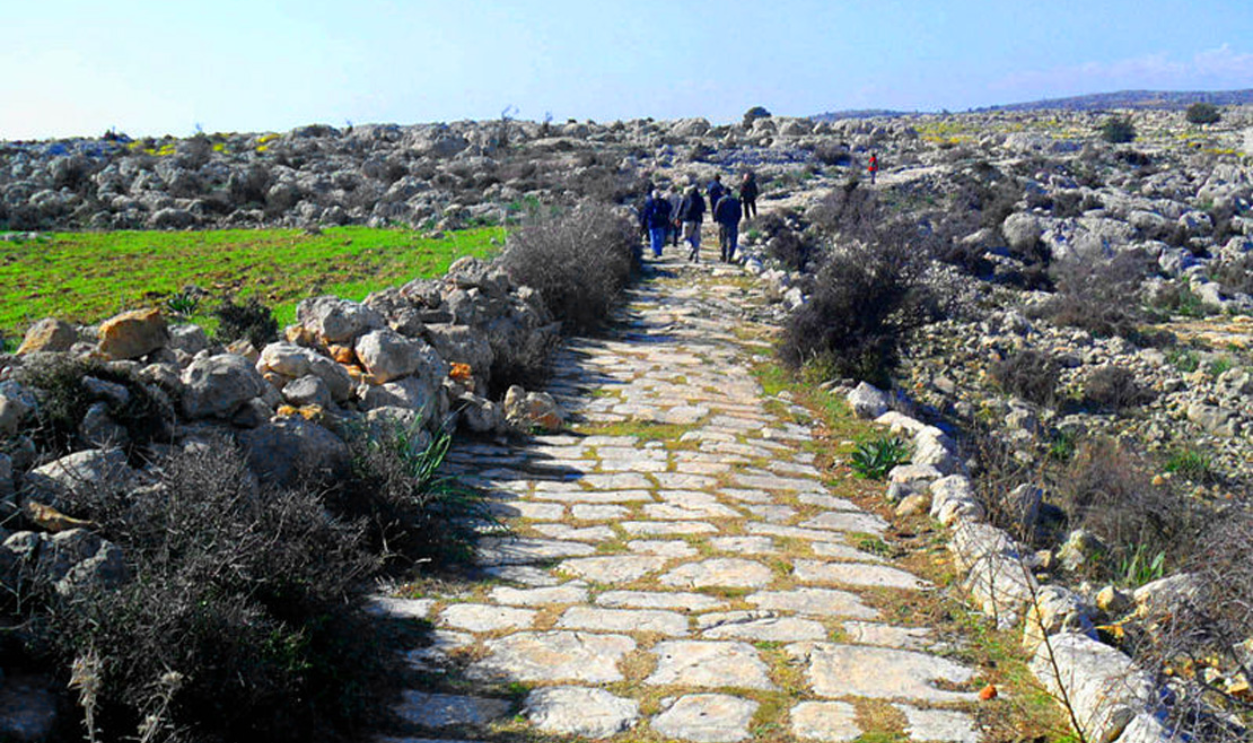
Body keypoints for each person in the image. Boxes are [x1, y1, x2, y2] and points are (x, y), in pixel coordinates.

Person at [677, 185, 706, 262]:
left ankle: (690, 249)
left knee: (685, 238)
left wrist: (678, 218)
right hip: (698, 221)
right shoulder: (700, 198)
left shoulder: (686, 198)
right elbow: (704, 209)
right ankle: (696, 256)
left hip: (687, 220)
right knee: (696, 239)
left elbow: (680, 209)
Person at [714, 188, 742, 263]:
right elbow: (739, 213)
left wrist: (718, 220)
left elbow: (716, 212)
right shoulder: (735, 201)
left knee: (723, 240)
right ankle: (729, 257)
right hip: (732, 223)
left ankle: (723, 255)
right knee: (732, 240)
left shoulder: (721, 200)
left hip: (723, 223)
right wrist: (736, 221)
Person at [642, 190, 671, 259]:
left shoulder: (649, 203)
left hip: (653, 223)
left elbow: (645, 214)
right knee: (659, 238)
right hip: (660, 223)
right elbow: (669, 210)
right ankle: (657, 251)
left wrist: (643, 223)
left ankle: (655, 251)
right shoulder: (663, 203)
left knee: (654, 238)